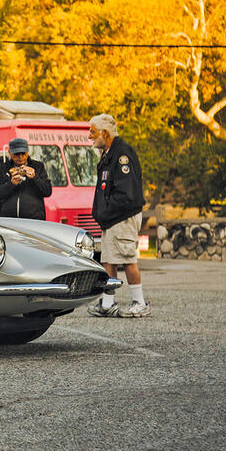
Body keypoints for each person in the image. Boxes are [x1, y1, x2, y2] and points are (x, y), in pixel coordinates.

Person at [87, 114, 150, 318]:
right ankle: (107, 303)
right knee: (108, 260)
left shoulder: (123, 155)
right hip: (111, 219)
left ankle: (139, 302)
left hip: (123, 217)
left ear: (105, 133)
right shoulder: (107, 154)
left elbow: (127, 194)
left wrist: (105, 211)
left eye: (93, 132)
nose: (89, 136)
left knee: (128, 259)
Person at [0, 138, 52, 220]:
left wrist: (35, 177)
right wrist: (11, 183)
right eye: (16, 154)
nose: (20, 157)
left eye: (23, 153)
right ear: (10, 153)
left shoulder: (38, 167)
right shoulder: (3, 168)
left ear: (28, 151)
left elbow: (47, 191)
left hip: (34, 220)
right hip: (9, 221)